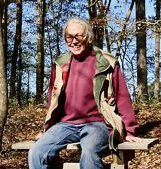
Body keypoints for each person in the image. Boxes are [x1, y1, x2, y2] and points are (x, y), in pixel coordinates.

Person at [28, 17, 141, 169]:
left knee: (88, 155)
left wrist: (129, 130)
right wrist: (47, 131)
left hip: (98, 124)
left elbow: (122, 97)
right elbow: (53, 100)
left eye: (78, 36)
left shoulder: (106, 62)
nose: (74, 41)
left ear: (88, 37)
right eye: (69, 37)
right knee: (36, 152)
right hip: (65, 125)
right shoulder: (60, 65)